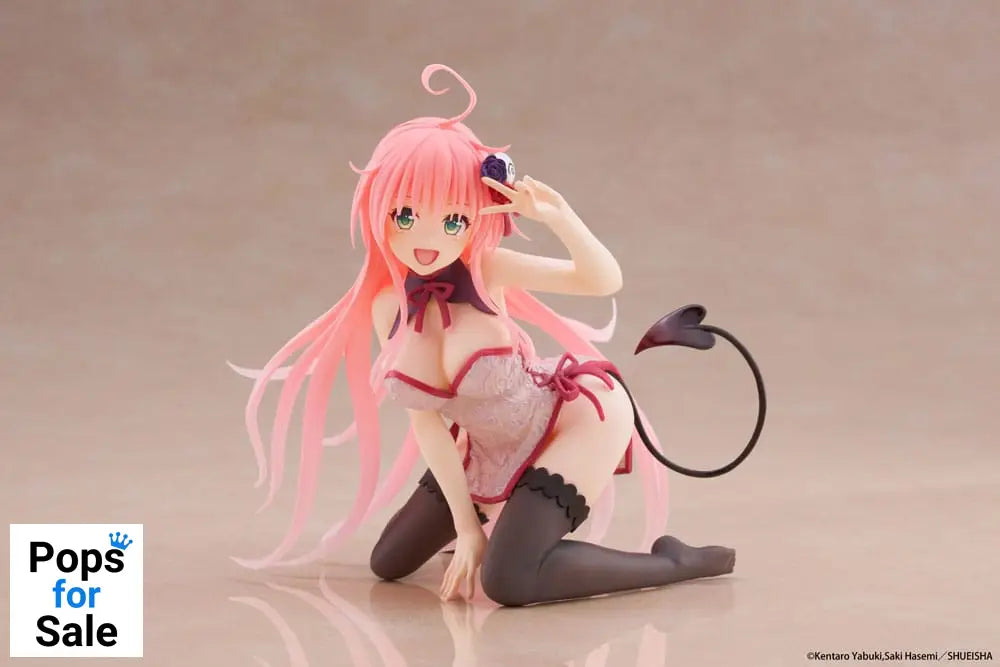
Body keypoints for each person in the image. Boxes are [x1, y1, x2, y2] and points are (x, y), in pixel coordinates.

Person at [234, 64, 743, 606]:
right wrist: (466, 525)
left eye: (453, 220)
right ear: (380, 210)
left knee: (510, 580)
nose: (427, 238)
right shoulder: (389, 306)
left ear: (475, 217)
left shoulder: (487, 269)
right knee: (389, 562)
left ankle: (674, 563)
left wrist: (559, 217)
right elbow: (427, 422)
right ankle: (503, 525)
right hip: (482, 446)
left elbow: (602, 281)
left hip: (569, 421)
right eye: (405, 215)